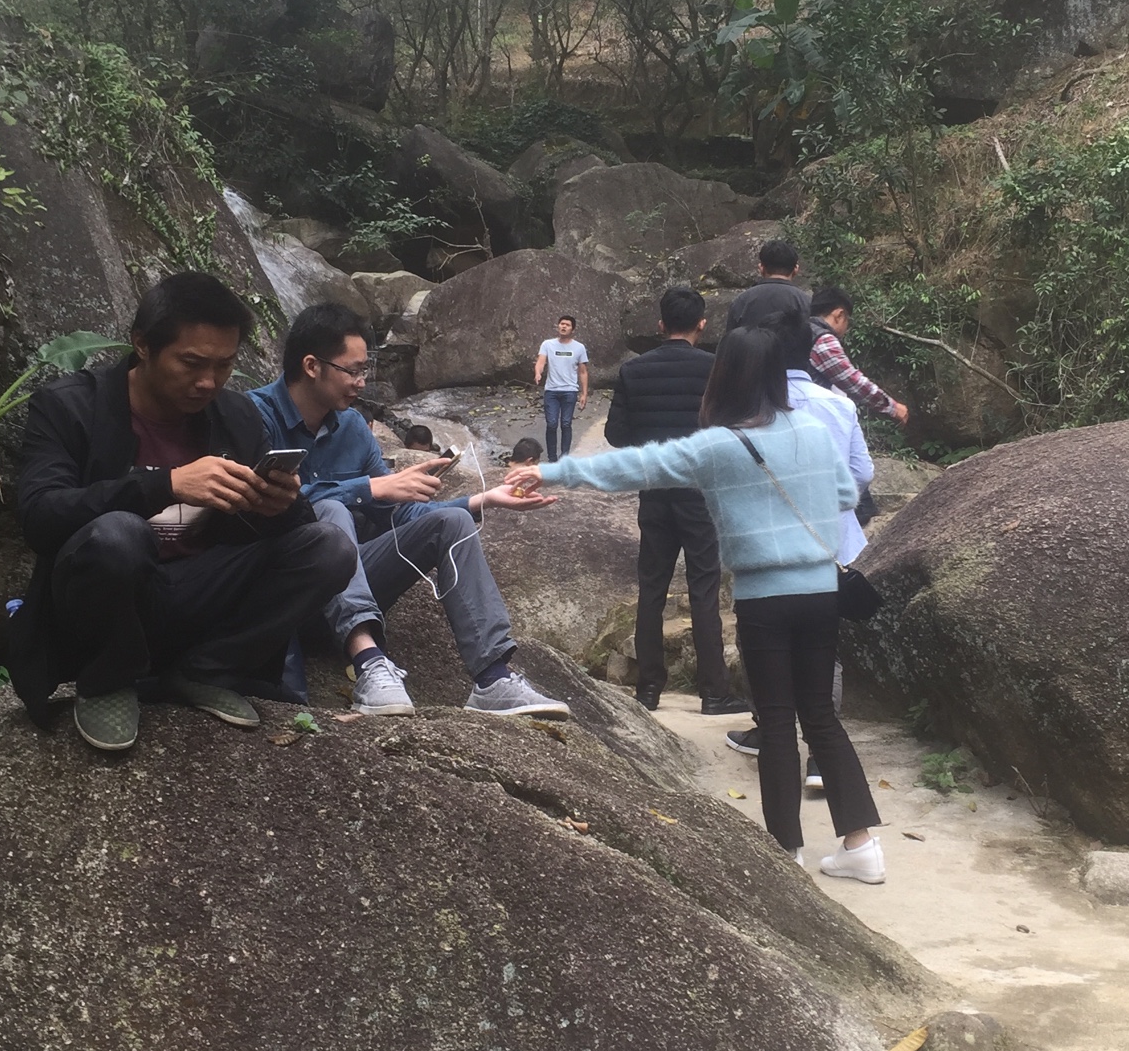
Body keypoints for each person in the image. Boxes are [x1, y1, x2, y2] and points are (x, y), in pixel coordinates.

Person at [508, 326, 885, 881]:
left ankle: (787, 856)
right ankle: (861, 847)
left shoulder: (716, 446)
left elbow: (633, 467)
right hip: (820, 591)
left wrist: (550, 469)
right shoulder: (813, 428)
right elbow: (848, 494)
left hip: (764, 596)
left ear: (725, 376)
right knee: (822, 717)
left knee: (778, 722)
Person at [9, 271, 358, 755]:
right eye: (191, 363)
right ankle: (108, 679)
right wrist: (166, 485)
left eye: (225, 365)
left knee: (330, 547)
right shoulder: (71, 406)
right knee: (117, 535)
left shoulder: (235, 416)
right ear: (143, 346)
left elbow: (269, 538)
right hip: (104, 597)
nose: (208, 382)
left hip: (196, 591)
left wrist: (279, 506)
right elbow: (40, 517)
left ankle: (205, 671)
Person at [250, 303, 570, 719]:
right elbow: (264, 509)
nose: (361, 383)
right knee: (330, 510)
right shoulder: (256, 415)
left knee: (452, 522)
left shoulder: (352, 429)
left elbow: (396, 515)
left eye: (366, 371)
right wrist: (370, 486)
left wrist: (482, 501)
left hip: (349, 584)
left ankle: (493, 678)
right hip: (284, 588)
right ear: (312, 365)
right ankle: (369, 663)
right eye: (353, 371)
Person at [724, 361, 873, 783]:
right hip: (830, 543)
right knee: (825, 649)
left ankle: (770, 734)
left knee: (759, 638)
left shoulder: (751, 409)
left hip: (770, 547)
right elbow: (862, 472)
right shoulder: (840, 404)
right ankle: (821, 758)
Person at [604, 284, 745, 718]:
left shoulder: (634, 371)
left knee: (652, 589)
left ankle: (648, 689)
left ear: (661, 325)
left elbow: (615, 435)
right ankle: (714, 693)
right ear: (702, 325)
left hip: (655, 490)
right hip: (702, 494)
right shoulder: (715, 368)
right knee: (704, 591)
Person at [808, 285, 910, 426]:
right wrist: (893, 407)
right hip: (811, 415)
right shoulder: (822, 339)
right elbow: (851, 380)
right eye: (847, 320)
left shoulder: (796, 329)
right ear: (839, 315)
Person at [725, 238, 814, 370]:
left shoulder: (742, 301)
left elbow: (730, 347)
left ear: (761, 268)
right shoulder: (806, 302)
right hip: (793, 376)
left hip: (750, 376)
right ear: (796, 269)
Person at [534, 314, 588, 459]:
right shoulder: (548, 344)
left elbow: (582, 372)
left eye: (567, 325)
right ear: (558, 326)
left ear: (573, 329)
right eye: (562, 324)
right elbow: (541, 361)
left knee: (566, 423)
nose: (564, 326)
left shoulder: (579, 347)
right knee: (551, 424)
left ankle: (565, 457)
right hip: (552, 390)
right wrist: (538, 372)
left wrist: (584, 393)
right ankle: (552, 457)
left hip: (570, 390)